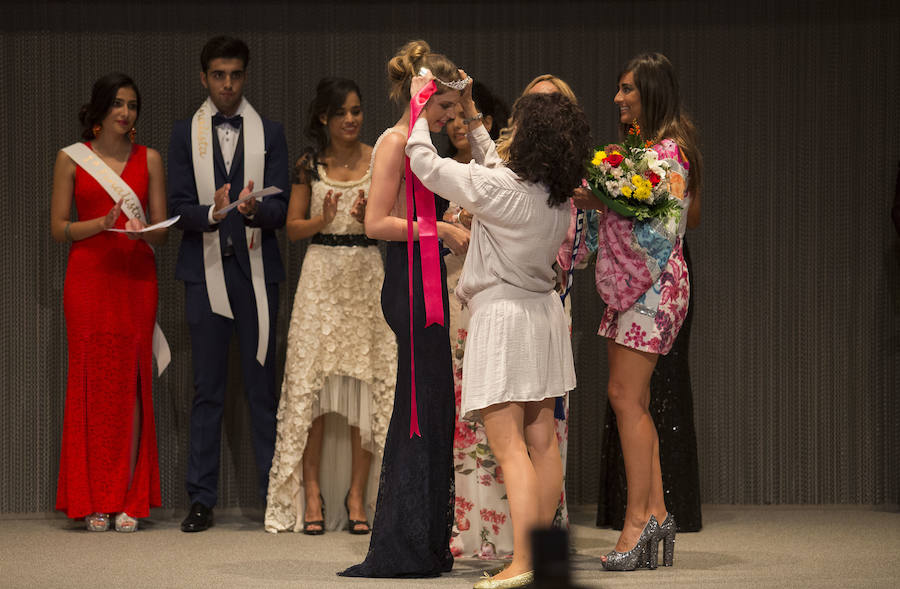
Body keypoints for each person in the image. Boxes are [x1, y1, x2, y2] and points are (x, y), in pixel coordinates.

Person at [408, 74, 591, 589]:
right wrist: (467, 109)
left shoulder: (501, 191)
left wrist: (421, 108)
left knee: (508, 445)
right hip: (542, 317)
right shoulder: (555, 197)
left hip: (505, 319)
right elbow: (494, 165)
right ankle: (545, 559)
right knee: (543, 444)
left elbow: (427, 164)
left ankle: (523, 561)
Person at [338, 39, 468, 579]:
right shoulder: (395, 144)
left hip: (427, 280)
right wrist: (442, 230)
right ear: (423, 99)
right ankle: (405, 542)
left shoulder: (424, 147)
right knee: (419, 408)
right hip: (412, 286)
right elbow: (375, 225)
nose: (451, 118)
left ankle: (426, 539)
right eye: (445, 109)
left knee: (434, 409)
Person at [575, 52, 703, 570]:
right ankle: (658, 512)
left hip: (649, 286)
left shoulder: (669, 154)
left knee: (625, 398)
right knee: (635, 402)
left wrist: (602, 201)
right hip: (636, 287)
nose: (618, 99)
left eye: (627, 89)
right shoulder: (643, 150)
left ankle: (637, 524)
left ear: (651, 93)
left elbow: (662, 228)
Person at [167, 36, 289, 532]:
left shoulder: (270, 132)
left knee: (262, 388)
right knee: (207, 390)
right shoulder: (184, 134)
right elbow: (176, 209)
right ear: (204, 78)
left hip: (257, 275)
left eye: (235, 74)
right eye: (218, 75)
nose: (227, 84)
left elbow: (281, 209)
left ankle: (271, 497)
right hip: (205, 274)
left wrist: (256, 208)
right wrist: (211, 213)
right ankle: (201, 498)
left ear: (246, 75)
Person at [265, 78, 396, 535]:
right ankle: (313, 492)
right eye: (342, 112)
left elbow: (392, 223)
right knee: (313, 392)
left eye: (357, 110)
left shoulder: (379, 159)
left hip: (365, 273)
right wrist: (322, 218)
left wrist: (369, 221)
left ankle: (358, 495)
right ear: (324, 117)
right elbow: (292, 228)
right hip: (321, 276)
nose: (351, 119)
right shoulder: (309, 163)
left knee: (368, 387)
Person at [51, 73, 168, 532]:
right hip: (88, 278)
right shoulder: (70, 159)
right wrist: (98, 223)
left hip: (135, 278)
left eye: (132, 105)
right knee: (89, 384)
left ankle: (128, 499)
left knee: (132, 383)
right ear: (100, 109)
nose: (125, 113)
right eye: (118, 104)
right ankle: (93, 497)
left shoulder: (150, 159)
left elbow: (161, 227)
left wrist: (145, 232)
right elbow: (59, 228)